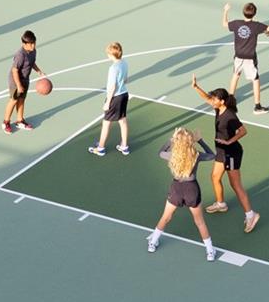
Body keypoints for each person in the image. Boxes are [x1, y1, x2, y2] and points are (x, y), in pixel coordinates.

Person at [190, 76, 259, 233]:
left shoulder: (229, 116)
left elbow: (243, 131)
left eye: (215, 99)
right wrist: (196, 87)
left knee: (236, 185)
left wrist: (229, 142)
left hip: (231, 153)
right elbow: (207, 98)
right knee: (215, 177)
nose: (212, 101)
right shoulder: (218, 108)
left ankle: (251, 215)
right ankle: (221, 204)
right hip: (222, 151)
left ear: (221, 101)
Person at [146, 128, 218, 261]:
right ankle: (210, 252)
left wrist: (171, 140)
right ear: (190, 141)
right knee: (200, 222)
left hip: (176, 189)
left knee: (165, 217)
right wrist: (200, 140)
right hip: (192, 189)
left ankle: (153, 243)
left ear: (176, 141)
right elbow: (212, 155)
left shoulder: (172, 155)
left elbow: (160, 152)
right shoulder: (196, 155)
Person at [223, 1, 268, 113]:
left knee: (235, 75)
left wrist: (225, 11)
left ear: (243, 12)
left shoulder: (236, 23)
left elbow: (225, 23)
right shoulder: (257, 26)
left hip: (238, 56)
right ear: (254, 13)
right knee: (255, 80)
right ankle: (257, 106)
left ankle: (230, 101)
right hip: (250, 58)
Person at [89, 42, 131, 156]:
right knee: (122, 121)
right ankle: (124, 146)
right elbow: (126, 79)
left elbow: (112, 87)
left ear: (112, 55)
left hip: (115, 97)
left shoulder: (113, 68)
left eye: (108, 53)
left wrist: (108, 102)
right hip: (124, 94)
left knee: (106, 123)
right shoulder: (124, 62)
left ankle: (100, 148)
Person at [2, 30, 46, 134]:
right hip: (15, 80)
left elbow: (32, 63)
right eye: (31, 44)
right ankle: (6, 122)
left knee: (22, 99)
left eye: (34, 43)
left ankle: (20, 121)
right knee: (14, 100)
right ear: (24, 44)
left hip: (25, 78)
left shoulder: (33, 51)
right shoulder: (20, 55)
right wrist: (18, 85)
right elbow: (15, 70)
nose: (33, 45)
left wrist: (39, 71)